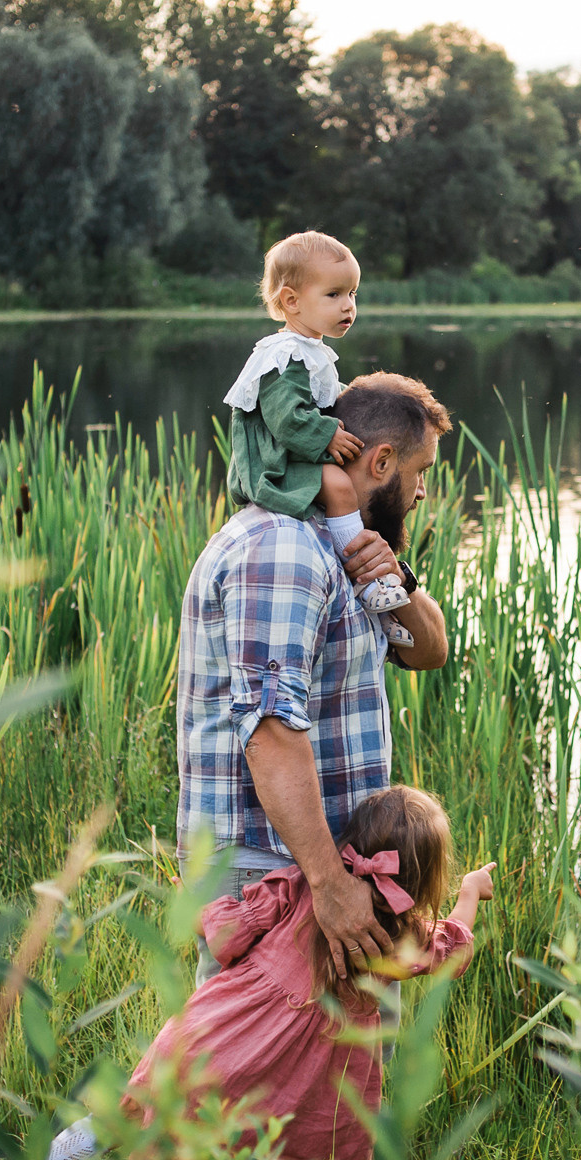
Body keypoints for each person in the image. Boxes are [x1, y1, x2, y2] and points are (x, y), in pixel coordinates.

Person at [25, 785, 496, 1160]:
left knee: (128, 1116)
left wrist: (186, 901)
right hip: (287, 1093)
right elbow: (454, 947)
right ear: (425, 879)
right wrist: (470, 891)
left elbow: (222, 933)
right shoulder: (400, 938)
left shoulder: (295, 887)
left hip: (213, 1042)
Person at [182, 365, 453, 992]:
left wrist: (396, 580)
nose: (420, 495)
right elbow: (272, 730)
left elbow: (429, 651)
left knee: (337, 1080)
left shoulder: (339, 544)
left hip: (319, 860)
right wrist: (330, 886)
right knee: (251, 1077)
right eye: (420, 474)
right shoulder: (282, 550)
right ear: (382, 462)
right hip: (271, 869)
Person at [227, 231, 412, 646]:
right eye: (333, 294)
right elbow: (287, 418)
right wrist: (327, 433)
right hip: (276, 462)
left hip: (297, 452)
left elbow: (325, 397)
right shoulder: (283, 356)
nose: (348, 305)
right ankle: (367, 580)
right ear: (291, 301)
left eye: (353, 293)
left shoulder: (310, 351)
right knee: (341, 485)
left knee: (344, 485)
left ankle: (370, 610)